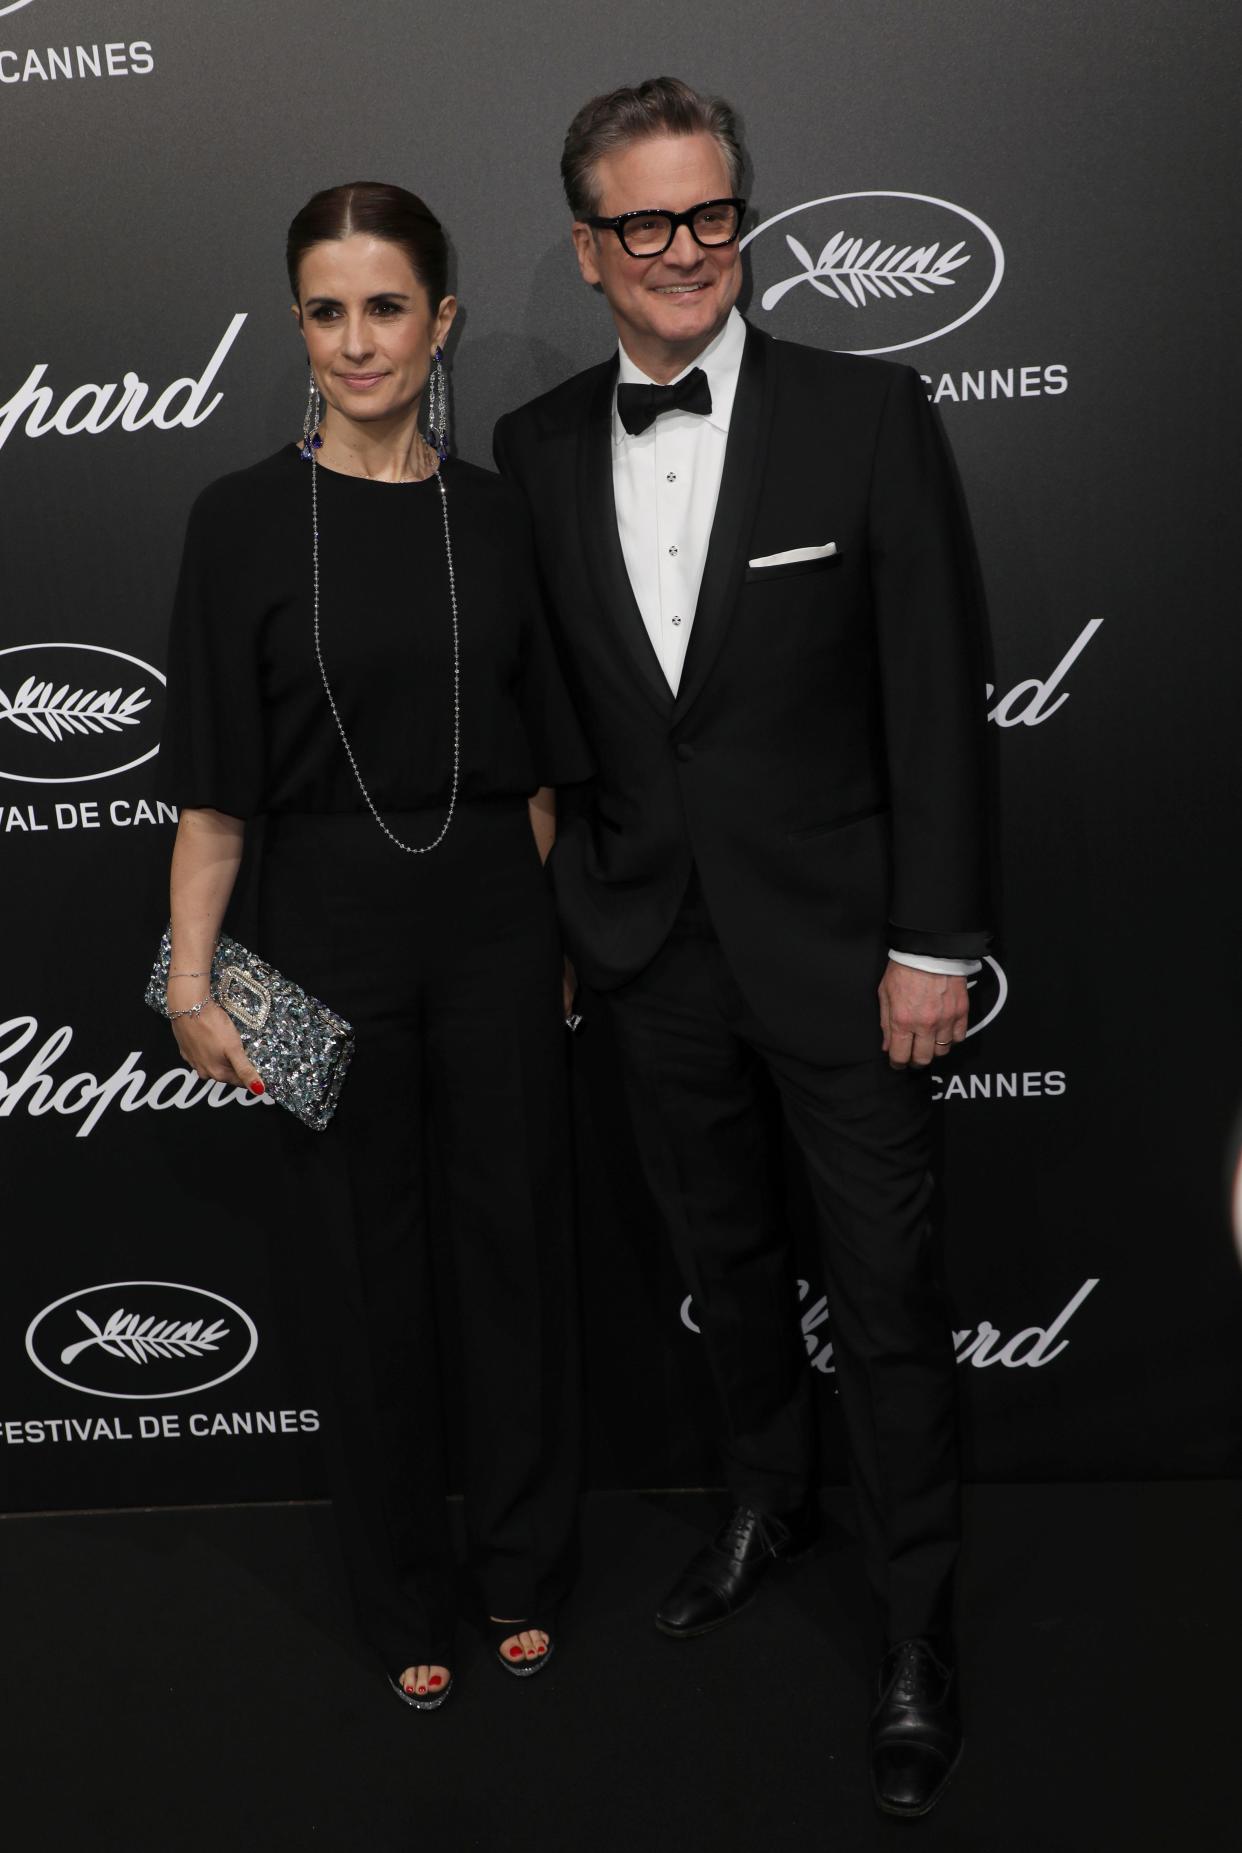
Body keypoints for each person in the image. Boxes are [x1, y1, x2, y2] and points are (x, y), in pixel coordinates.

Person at [494, 80, 990, 1817]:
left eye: (713, 214)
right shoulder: (542, 446)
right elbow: (560, 716)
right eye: (647, 223)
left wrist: (931, 941)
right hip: (649, 954)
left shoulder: (866, 413)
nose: (687, 248)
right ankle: (765, 1497)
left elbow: (934, 697)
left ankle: (919, 1626)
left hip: (852, 958)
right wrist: (575, 925)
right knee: (721, 1265)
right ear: (589, 246)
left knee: (887, 1292)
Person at [161, 181, 590, 1710]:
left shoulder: (498, 514)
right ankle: (403, 1588)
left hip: (490, 913)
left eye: (387, 306)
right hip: (314, 927)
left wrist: (537, 939)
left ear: (441, 321)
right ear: (299, 326)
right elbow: (214, 791)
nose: (360, 341)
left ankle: (527, 1566)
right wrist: (193, 978)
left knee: (515, 1253)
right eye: (329, 311)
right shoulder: (236, 520)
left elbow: (537, 767)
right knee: (357, 1274)